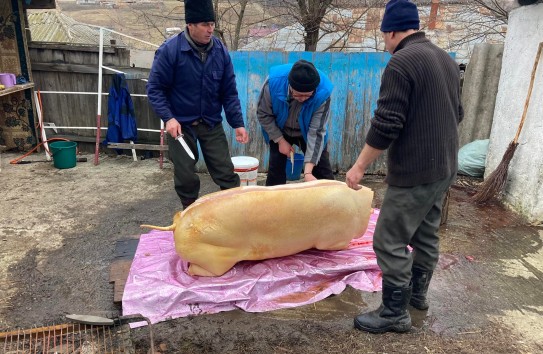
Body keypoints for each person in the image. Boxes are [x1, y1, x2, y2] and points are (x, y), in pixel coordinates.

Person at [345, 0, 463, 333]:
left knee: (388, 239)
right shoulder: (446, 60)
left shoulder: (402, 62)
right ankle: (417, 297)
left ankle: (394, 313)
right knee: (425, 233)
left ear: (393, 30)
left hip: (415, 171)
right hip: (444, 167)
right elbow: (458, 115)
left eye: (384, 36)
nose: (385, 43)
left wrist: (358, 167)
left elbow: (386, 124)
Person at [146, 0, 249, 209]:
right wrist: (169, 118)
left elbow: (228, 91)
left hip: (211, 123)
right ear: (190, 25)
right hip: (181, 126)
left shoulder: (220, 51)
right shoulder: (170, 51)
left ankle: (236, 214)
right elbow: (155, 89)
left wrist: (237, 123)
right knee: (185, 175)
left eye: (211, 24)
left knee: (226, 172)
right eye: (204, 24)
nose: (210, 29)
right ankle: (191, 213)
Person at [257, 59, 335, 186]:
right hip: (280, 129)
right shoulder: (272, 84)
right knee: (275, 171)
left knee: (323, 173)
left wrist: (308, 172)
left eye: (307, 96)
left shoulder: (323, 93)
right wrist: (280, 141)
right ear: (290, 86)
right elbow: (263, 114)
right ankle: (274, 203)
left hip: (308, 130)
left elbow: (316, 131)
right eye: (298, 95)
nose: (302, 100)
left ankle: (332, 203)